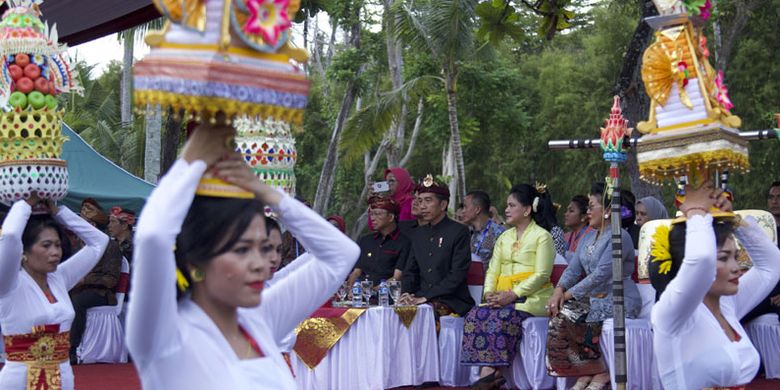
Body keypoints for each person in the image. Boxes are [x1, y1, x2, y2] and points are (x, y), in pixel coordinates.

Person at [125, 124, 360, 389]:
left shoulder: (258, 316)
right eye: (241, 250)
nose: (261, 264)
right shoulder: (163, 334)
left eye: (263, 248)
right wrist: (192, 161)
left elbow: (343, 254)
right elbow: (153, 237)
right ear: (195, 261)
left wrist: (267, 193)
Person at [649, 181, 780, 389]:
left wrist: (733, 220)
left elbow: (771, 266)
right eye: (724, 258)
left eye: (735, 257)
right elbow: (701, 260)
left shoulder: (727, 304)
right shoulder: (673, 312)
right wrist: (695, 211)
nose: (737, 268)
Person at [0, 195, 109, 389]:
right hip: (20, 381)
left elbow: (99, 241)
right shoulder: (8, 283)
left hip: (62, 377)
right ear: (23, 252)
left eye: (57, 245)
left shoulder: (59, 278)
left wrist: (60, 212)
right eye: (46, 245)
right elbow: (9, 237)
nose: (55, 252)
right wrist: (26, 204)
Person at [546, 182, 642, 390]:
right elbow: (572, 269)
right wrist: (558, 291)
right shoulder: (588, 237)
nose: (588, 212)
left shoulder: (620, 236)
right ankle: (591, 369)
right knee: (560, 312)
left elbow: (601, 275)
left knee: (571, 311)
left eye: (591, 206)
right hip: (593, 298)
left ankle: (599, 371)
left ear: (607, 210)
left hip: (619, 298)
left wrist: (568, 295)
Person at [461, 184, 555, 386]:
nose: (506, 210)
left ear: (527, 210)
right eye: (506, 205)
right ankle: (490, 374)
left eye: (512, 205)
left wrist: (513, 294)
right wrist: (489, 294)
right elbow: (493, 270)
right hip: (503, 297)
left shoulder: (542, 236)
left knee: (503, 316)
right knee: (476, 314)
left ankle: (490, 374)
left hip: (533, 298)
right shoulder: (504, 237)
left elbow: (542, 274)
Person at [399, 175, 474, 318]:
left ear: (443, 205)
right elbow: (410, 271)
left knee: (423, 314)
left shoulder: (459, 231)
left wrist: (426, 297)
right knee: (395, 310)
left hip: (451, 300)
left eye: (428, 201)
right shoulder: (418, 234)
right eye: (420, 201)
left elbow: (457, 274)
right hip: (421, 297)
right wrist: (406, 294)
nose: (422, 206)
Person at [69, 199, 124, 364]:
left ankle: (71, 349)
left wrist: (85, 280)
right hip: (81, 289)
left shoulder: (110, 246)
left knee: (77, 302)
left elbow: (111, 279)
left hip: (102, 293)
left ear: (92, 225)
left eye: (84, 224)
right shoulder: (80, 245)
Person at [347, 197, 410, 288]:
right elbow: (357, 272)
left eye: (377, 214)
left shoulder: (403, 242)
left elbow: (397, 277)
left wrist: (372, 291)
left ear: (391, 217)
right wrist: (350, 288)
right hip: (358, 295)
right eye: (371, 214)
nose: (372, 218)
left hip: (384, 297)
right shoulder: (365, 240)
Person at [741, 182, 780, 323]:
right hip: (761, 290)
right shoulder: (761, 232)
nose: (775, 201)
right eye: (771, 197)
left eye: (779, 197)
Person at [461, 191, 506, 291]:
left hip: (490, 292)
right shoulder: (463, 232)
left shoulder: (499, 234)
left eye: (465, 207)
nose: (462, 211)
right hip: (466, 289)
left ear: (477, 209)